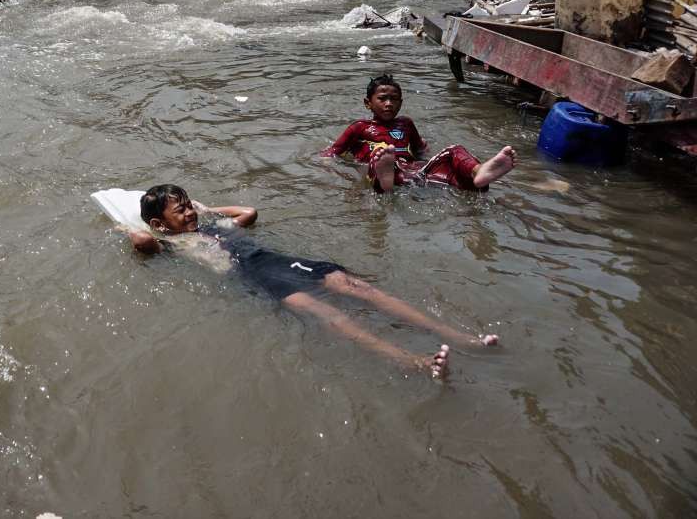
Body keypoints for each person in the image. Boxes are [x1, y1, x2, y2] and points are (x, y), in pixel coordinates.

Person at [123, 185, 500, 378]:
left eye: (190, 204)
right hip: (255, 277)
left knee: (360, 289)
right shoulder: (170, 243)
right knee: (327, 314)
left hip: (279, 261)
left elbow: (249, 212)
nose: (189, 212)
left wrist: (206, 208)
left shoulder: (209, 223)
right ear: (160, 224)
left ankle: (458, 337)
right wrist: (129, 228)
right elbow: (141, 243)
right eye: (182, 209)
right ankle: (413, 362)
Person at [323, 74, 517, 193]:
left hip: (413, 172)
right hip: (385, 169)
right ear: (368, 103)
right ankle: (385, 181)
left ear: (401, 103)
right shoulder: (359, 127)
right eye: (382, 99)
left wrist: (436, 162)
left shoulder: (406, 124)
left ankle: (478, 174)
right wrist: (344, 177)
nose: (388, 103)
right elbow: (331, 154)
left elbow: (421, 150)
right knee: (382, 157)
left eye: (394, 99)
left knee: (454, 150)